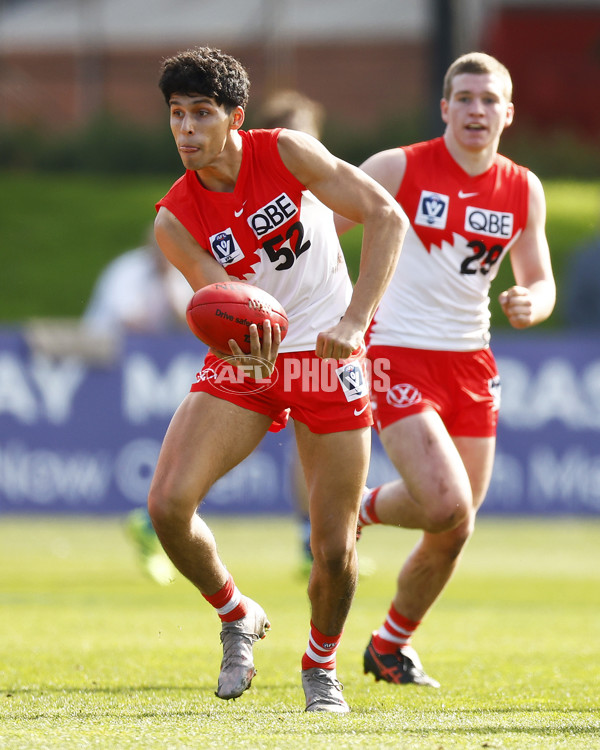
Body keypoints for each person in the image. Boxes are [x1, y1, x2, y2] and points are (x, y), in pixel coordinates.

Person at [146, 47, 407, 712]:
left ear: (235, 117)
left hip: (327, 354)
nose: (186, 129)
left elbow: (385, 215)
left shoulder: (286, 152)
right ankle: (236, 613)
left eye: (201, 114)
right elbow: (219, 298)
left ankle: (320, 665)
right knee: (168, 506)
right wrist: (238, 345)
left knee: (334, 549)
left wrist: (354, 320)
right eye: (176, 115)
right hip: (249, 364)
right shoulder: (173, 220)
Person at [336, 52, 555, 687]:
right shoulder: (398, 167)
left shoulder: (522, 187)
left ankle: (389, 646)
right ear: (444, 109)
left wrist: (530, 302)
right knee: (446, 500)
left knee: (455, 524)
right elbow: (321, 229)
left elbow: (539, 281)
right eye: (464, 98)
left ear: (508, 114)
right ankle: (357, 509)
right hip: (397, 351)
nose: (476, 110)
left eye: (490, 100)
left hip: (472, 361)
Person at [83, 226, 191, 586]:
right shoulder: (126, 270)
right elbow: (133, 322)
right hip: (103, 362)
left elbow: (183, 319)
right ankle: (151, 519)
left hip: (144, 369)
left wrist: (167, 279)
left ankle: (150, 520)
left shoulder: (178, 272)